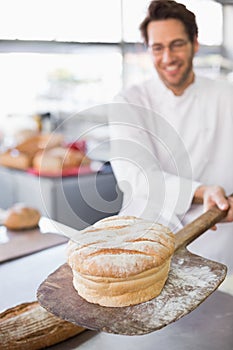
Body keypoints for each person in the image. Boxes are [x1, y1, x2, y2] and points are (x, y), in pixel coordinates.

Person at [108, 0, 233, 274]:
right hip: (148, 243)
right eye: (158, 48)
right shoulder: (129, 101)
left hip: (218, 243)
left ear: (195, 44)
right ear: (148, 50)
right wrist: (204, 192)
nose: (168, 58)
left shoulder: (227, 96)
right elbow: (137, 176)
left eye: (177, 44)